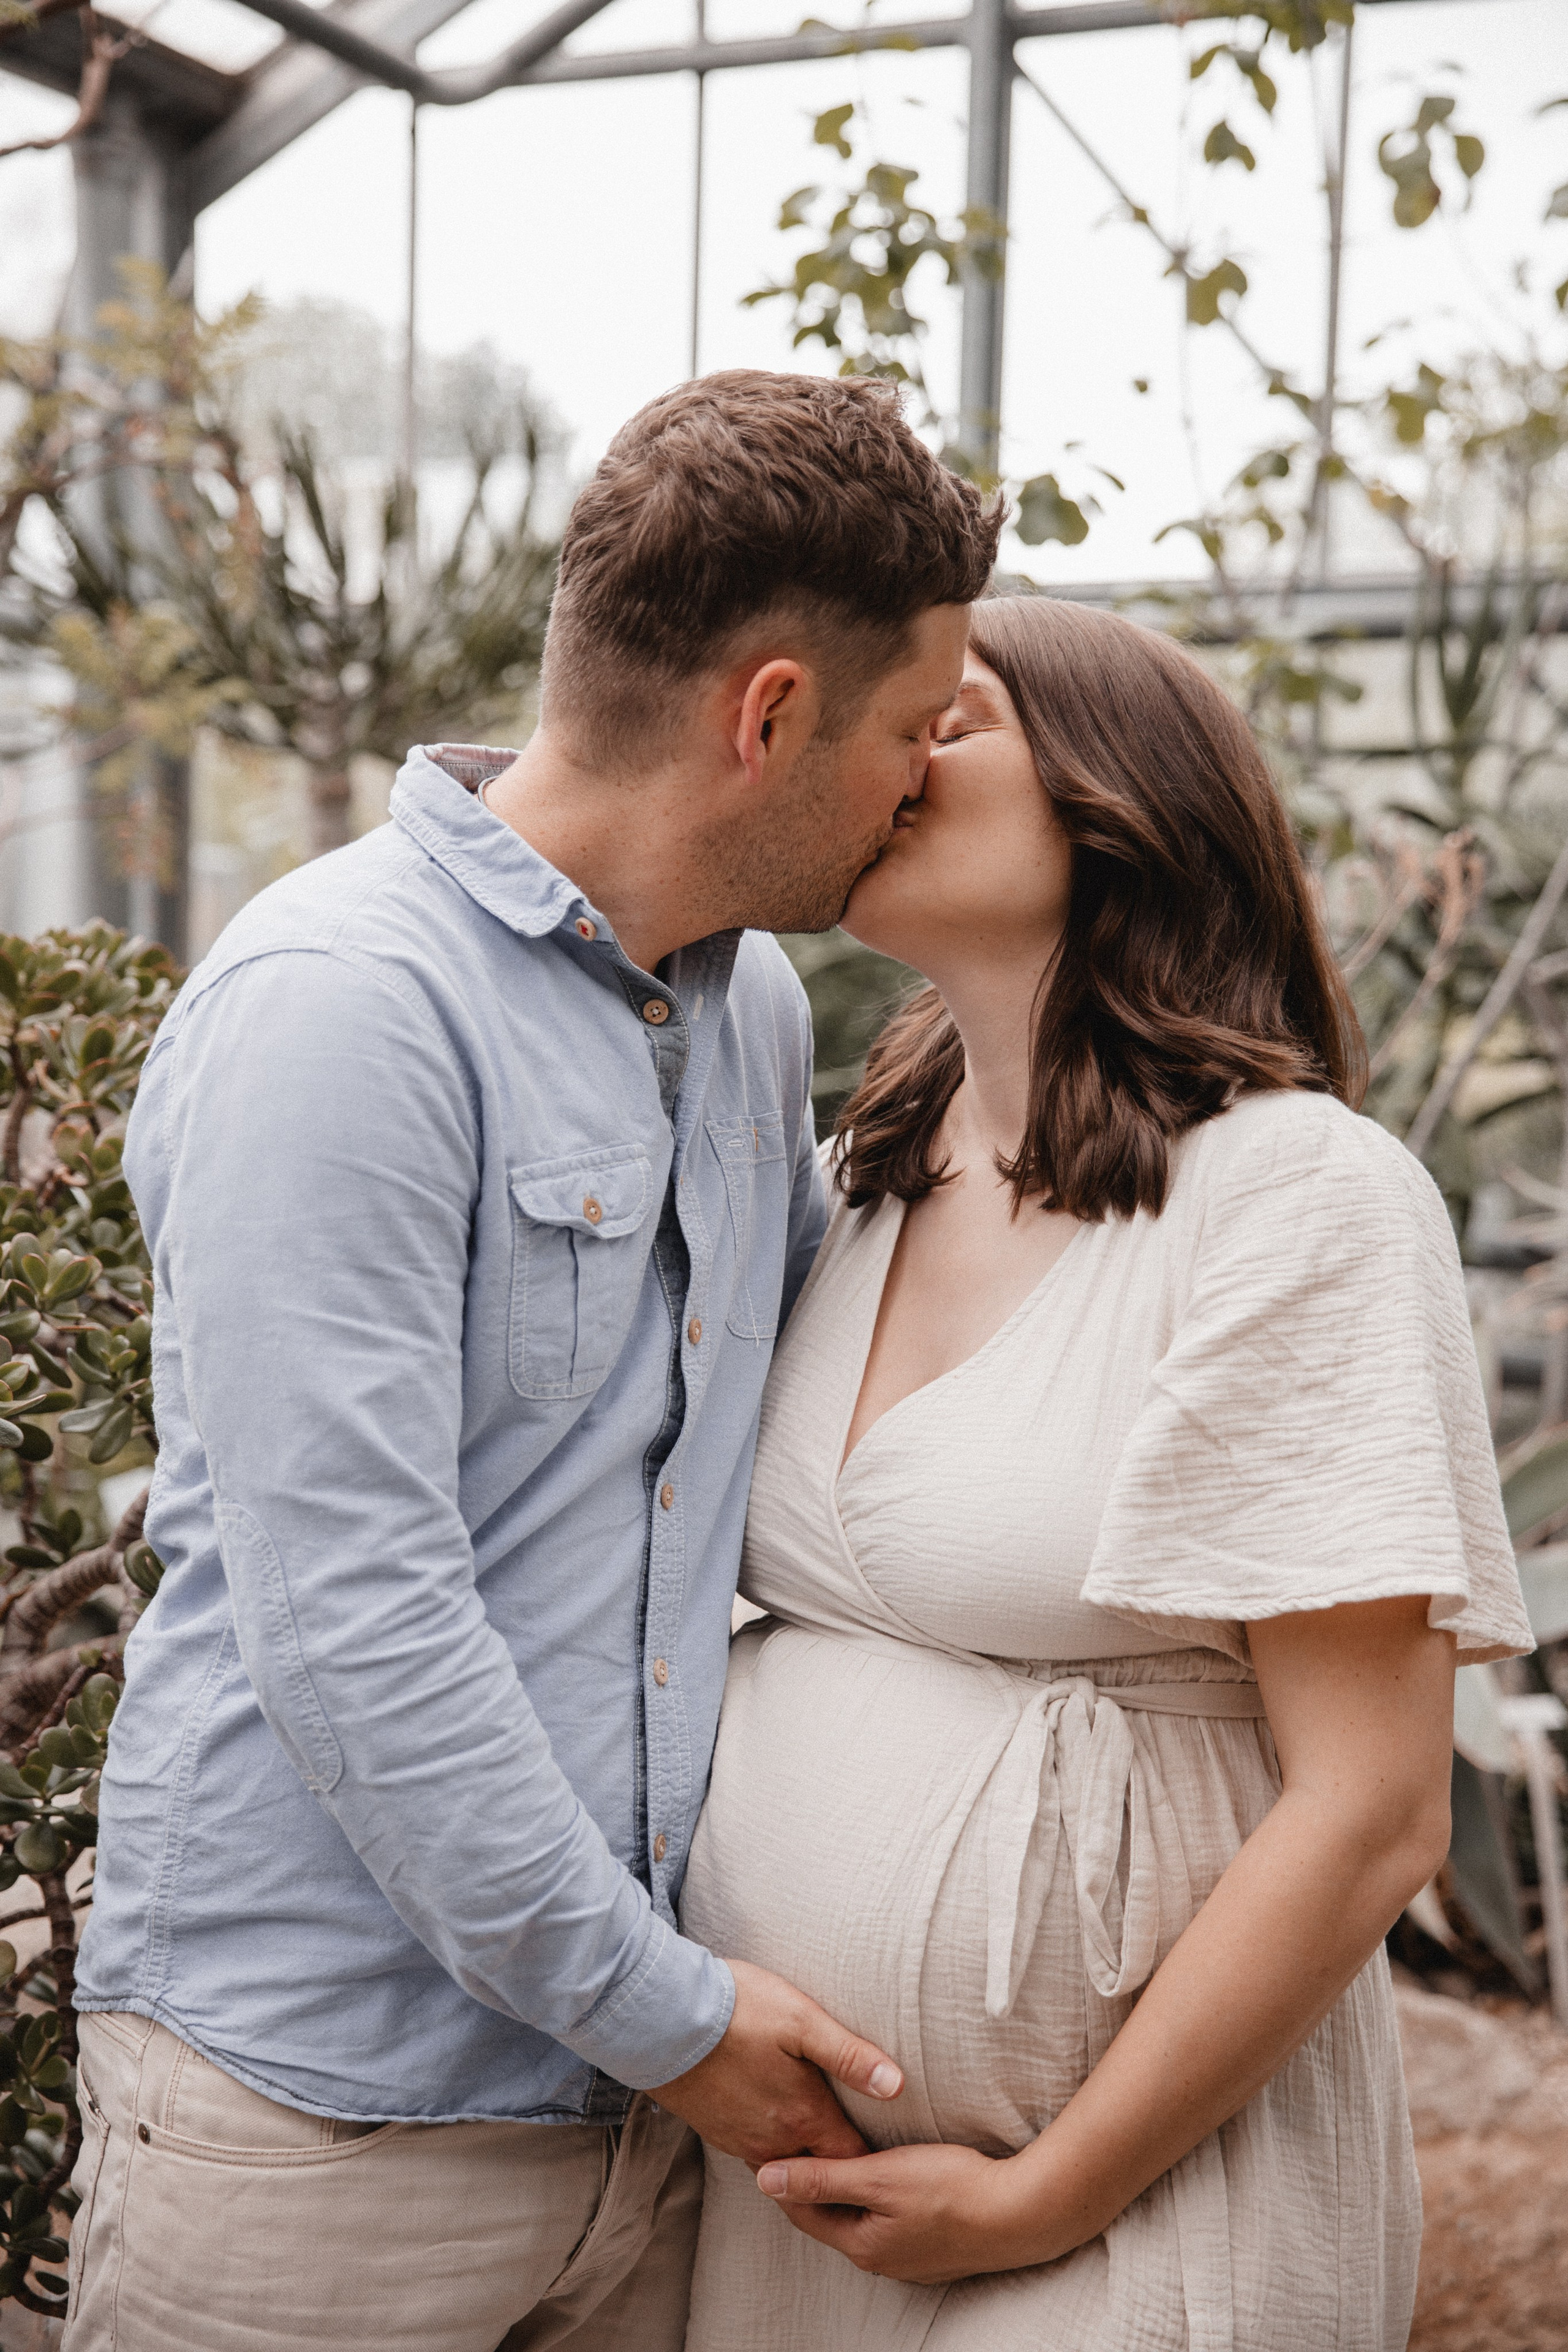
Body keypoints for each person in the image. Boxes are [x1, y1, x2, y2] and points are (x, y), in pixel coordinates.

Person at [63, 371, 998, 2352]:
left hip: (640, 2130)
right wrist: (671, 2022)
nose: (924, 782)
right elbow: (359, 1621)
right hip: (320, 2126)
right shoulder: (346, 1010)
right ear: (767, 719)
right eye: (915, 732)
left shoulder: (738, 1016)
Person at [681, 595, 1535, 2352]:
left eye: (946, 717)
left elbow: (1373, 1808)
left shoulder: (1296, 1196)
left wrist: (1044, 2190)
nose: (882, 748)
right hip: (804, 2206)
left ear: (1119, 797)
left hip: (1135, 2200)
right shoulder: (863, 1178)